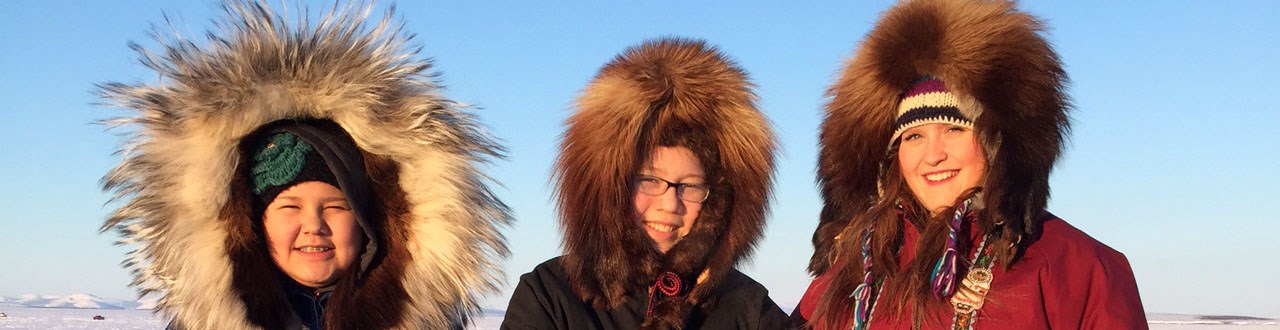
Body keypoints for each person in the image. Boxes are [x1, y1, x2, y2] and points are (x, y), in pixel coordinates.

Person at [97, 1, 509, 329]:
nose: (314, 226)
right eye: (289, 207)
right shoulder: (200, 324)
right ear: (251, 225)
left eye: (334, 206)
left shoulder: (428, 322)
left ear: (367, 223)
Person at [792, 0, 1147, 329]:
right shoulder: (851, 273)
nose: (933, 155)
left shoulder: (1079, 268)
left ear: (997, 144)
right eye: (913, 136)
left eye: (954, 129)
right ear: (891, 157)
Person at [501, 38, 788, 329]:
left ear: (719, 203)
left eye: (690, 186)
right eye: (649, 180)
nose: (670, 204)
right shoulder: (551, 295)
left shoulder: (749, 308)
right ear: (610, 188)